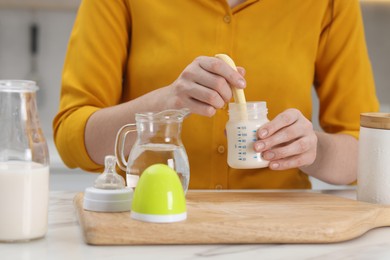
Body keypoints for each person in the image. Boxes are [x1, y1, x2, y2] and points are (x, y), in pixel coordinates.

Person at [53, 0, 379, 189]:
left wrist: (314, 150)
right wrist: (167, 103)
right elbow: (71, 137)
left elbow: (370, 153)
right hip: (151, 222)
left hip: (278, 236)